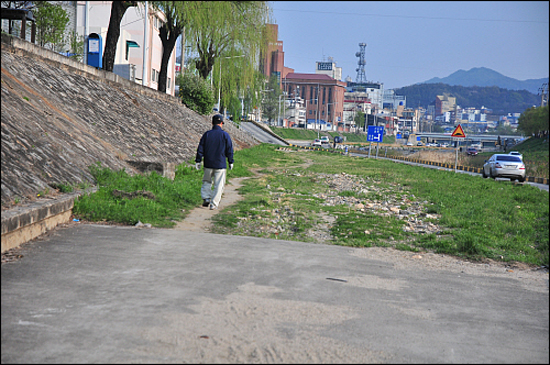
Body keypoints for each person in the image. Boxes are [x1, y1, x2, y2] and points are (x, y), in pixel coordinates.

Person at [195, 114, 234, 210]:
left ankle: (206, 197)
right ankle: (214, 203)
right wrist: (230, 161)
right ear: (221, 123)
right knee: (219, 185)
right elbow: (229, 149)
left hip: (208, 163)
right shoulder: (225, 135)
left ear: (212, 123)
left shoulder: (207, 134)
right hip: (220, 164)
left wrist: (198, 160)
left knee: (207, 181)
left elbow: (200, 148)